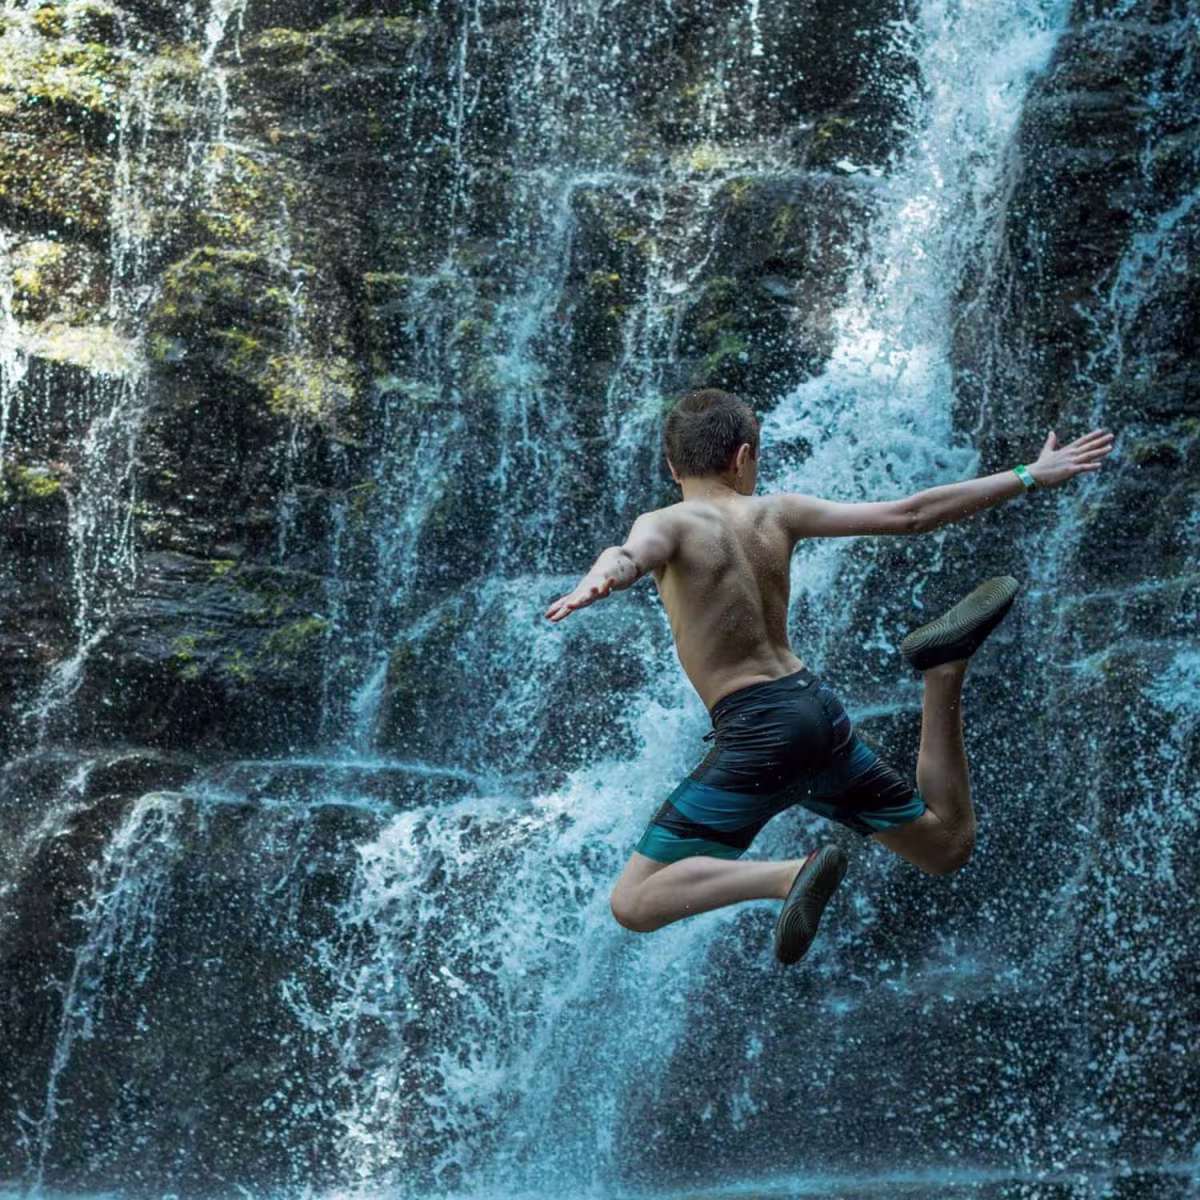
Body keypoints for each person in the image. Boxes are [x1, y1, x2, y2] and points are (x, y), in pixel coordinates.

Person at [545, 390, 1114, 964]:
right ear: (744, 457)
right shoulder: (779, 512)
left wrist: (603, 578)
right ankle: (943, 670)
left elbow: (628, 553)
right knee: (945, 846)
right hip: (815, 713)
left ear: (672, 467)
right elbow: (909, 514)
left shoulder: (665, 521)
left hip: (758, 733)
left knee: (634, 901)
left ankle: (789, 876)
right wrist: (1028, 474)